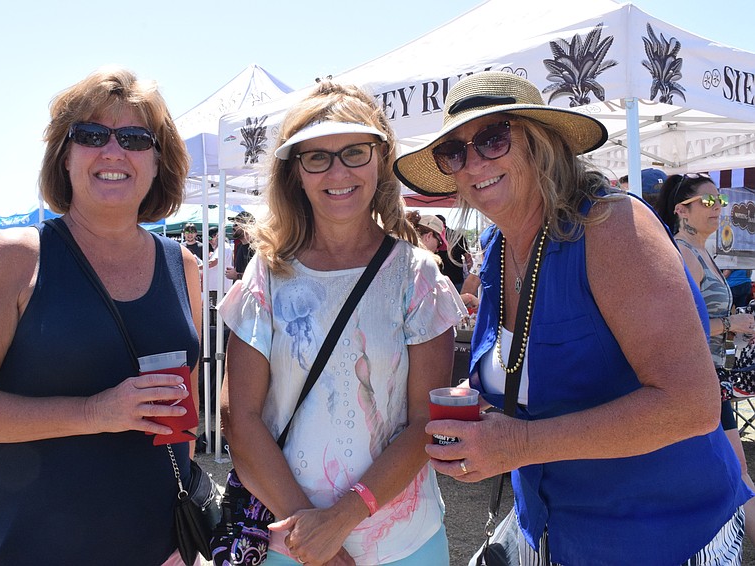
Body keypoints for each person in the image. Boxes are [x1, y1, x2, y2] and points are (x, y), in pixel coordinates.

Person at [394, 71, 752, 565]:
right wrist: (478, 397)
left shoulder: (611, 227)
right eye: (454, 153)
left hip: (657, 537)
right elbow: (528, 370)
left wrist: (517, 443)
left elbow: (692, 405)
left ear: (543, 144)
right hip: (546, 527)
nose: (473, 162)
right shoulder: (498, 248)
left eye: (493, 139)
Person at [0, 66, 202, 565]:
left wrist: (184, 540)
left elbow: (182, 411)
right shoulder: (16, 258)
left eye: (136, 137)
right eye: (92, 134)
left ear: (159, 162)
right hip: (38, 545)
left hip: (160, 549)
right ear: (65, 155)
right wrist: (96, 412)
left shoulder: (181, 265)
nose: (113, 151)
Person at [219, 81, 465, 566]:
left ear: (380, 158)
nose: (338, 171)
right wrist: (312, 535)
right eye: (317, 157)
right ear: (296, 173)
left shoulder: (416, 275)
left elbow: (425, 421)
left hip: (405, 544)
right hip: (287, 544)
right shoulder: (267, 274)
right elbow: (238, 418)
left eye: (355, 152)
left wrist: (341, 520)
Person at [655, 172, 755, 545]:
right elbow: (679, 325)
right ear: (682, 209)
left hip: (718, 378)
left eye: (721, 201)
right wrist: (732, 322)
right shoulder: (681, 253)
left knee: (731, 470)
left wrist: (737, 328)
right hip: (698, 380)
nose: (719, 209)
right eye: (709, 202)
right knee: (733, 471)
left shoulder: (703, 252)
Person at [226, 210, 255, 282]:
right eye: (233, 224)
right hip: (241, 291)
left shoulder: (257, 248)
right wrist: (235, 271)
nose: (233, 227)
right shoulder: (239, 246)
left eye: (236, 224)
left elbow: (259, 277)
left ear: (247, 225)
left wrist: (237, 275)